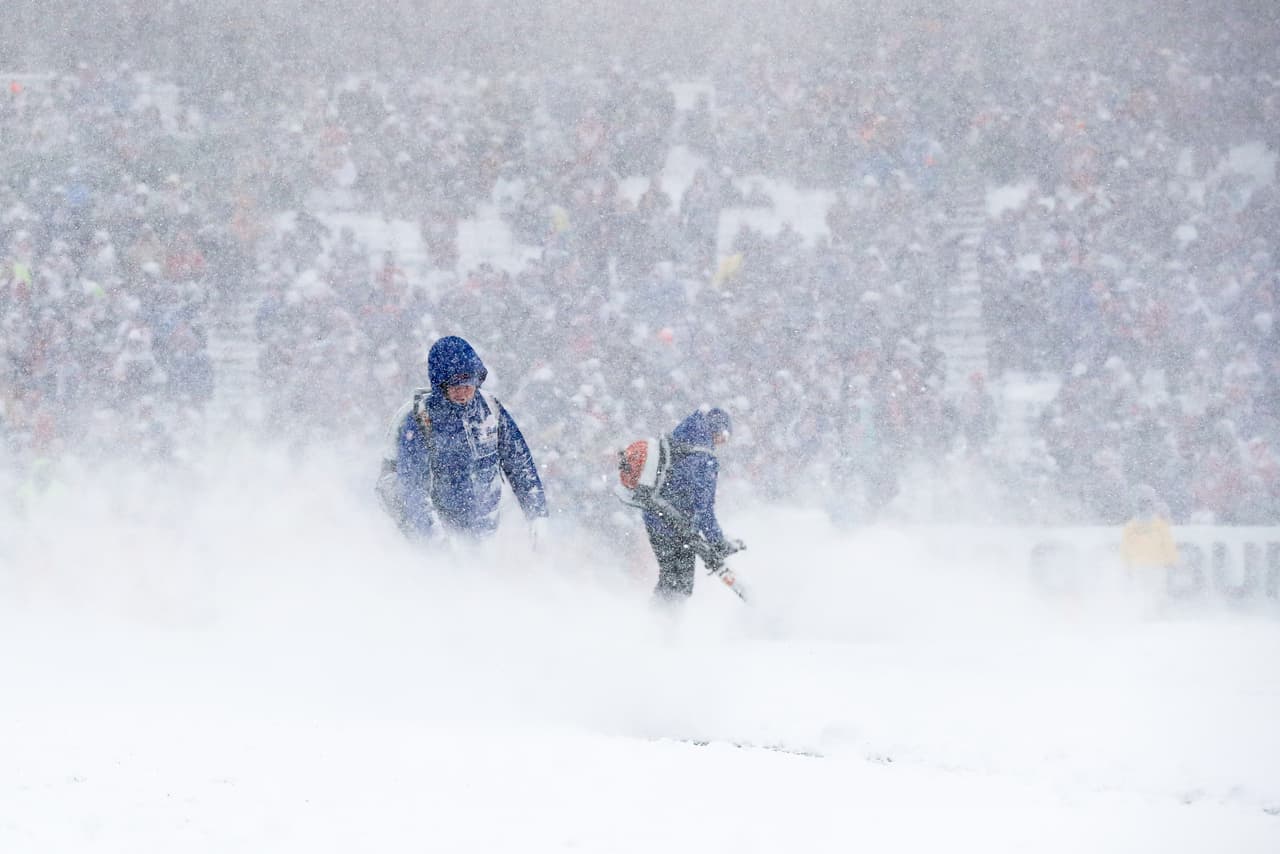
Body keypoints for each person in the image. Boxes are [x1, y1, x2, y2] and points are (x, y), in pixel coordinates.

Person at [377, 335, 548, 543]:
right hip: (442, 533)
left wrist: (537, 514)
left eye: (468, 385)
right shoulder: (421, 422)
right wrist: (437, 541)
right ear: (440, 385)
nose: (463, 393)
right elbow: (413, 489)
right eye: (455, 387)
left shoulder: (490, 410)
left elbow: (519, 463)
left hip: (487, 532)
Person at [640, 407, 741, 602]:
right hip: (674, 524)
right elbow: (704, 508)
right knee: (679, 585)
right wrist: (716, 541)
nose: (722, 444)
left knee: (670, 577)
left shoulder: (684, 436)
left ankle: (658, 622)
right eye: (724, 438)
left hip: (656, 516)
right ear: (720, 432)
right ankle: (662, 624)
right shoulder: (704, 457)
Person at [1119, 484, 1179, 598]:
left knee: (1154, 594)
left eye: (1147, 503)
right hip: (1144, 568)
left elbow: (1168, 546)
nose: (1144, 506)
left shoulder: (1158, 525)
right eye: (1142, 502)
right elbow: (1125, 550)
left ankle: (1153, 612)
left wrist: (1171, 563)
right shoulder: (1132, 527)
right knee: (1147, 594)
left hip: (1154, 568)